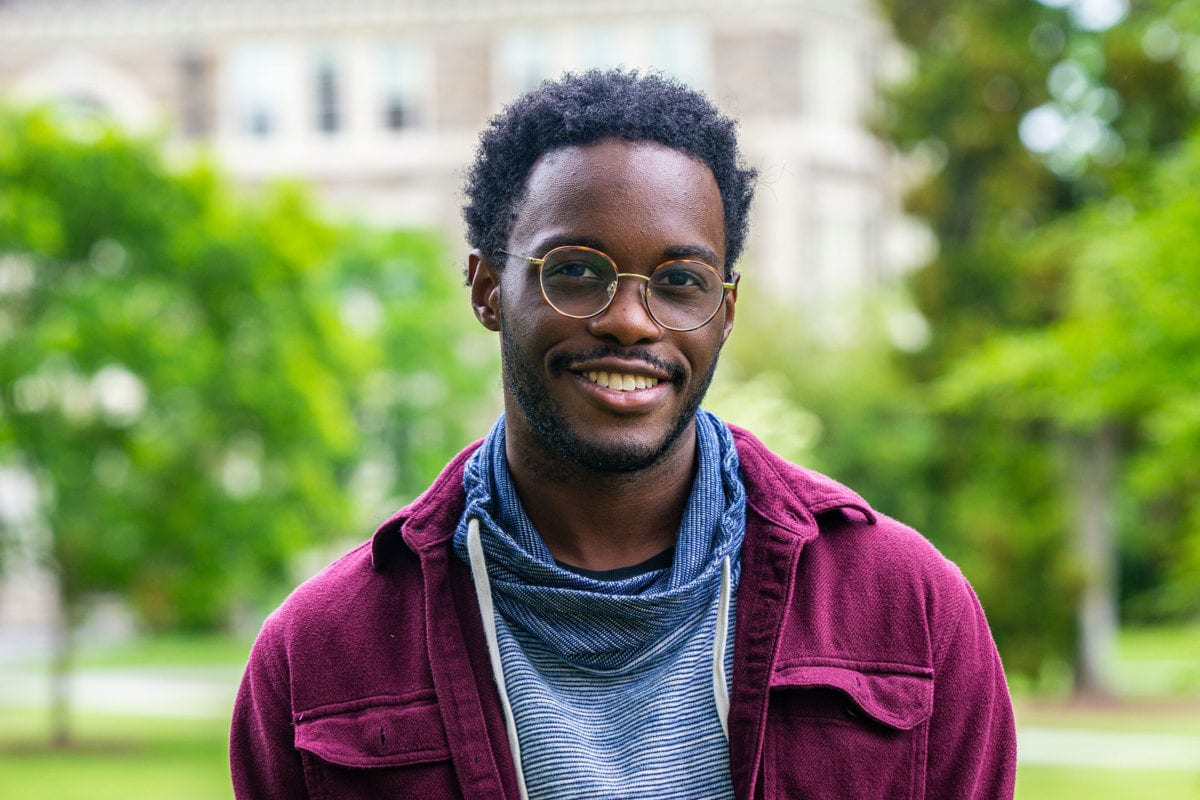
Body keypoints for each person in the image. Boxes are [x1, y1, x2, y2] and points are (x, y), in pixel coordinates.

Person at [230, 69, 1016, 800]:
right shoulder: (319, 654)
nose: (631, 320)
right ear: (487, 288)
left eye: (680, 282)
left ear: (726, 311)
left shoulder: (907, 609)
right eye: (575, 271)